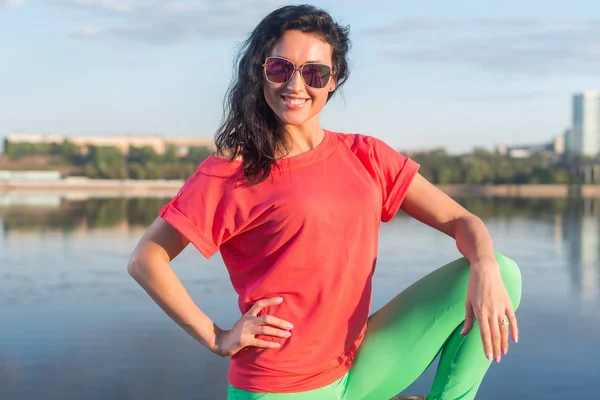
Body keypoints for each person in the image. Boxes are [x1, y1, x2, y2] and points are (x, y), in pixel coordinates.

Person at [127, 4, 522, 400]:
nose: (296, 85)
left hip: (357, 365)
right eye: (280, 68)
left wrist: (484, 265)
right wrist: (218, 337)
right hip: (279, 385)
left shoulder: (365, 155)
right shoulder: (233, 170)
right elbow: (146, 259)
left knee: (503, 274)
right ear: (260, 71)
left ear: (334, 80)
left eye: (314, 73)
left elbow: (459, 219)